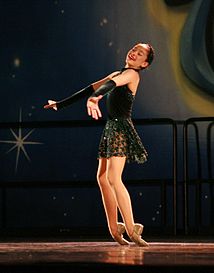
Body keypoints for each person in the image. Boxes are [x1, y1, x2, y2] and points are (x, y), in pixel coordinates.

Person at [44, 43, 154, 246]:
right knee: (102, 178)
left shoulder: (132, 75)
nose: (134, 53)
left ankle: (132, 229)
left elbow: (110, 85)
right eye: (133, 49)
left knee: (113, 177)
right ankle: (115, 229)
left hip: (121, 128)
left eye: (140, 54)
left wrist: (95, 99)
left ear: (144, 63)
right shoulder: (116, 73)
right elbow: (92, 87)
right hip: (111, 128)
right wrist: (60, 104)